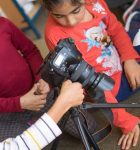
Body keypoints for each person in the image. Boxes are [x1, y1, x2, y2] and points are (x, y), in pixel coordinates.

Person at [43, 0, 140, 149]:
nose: (70, 21)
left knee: (133, 34)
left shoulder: (97, 4)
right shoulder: (54, 35)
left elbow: (116, 31)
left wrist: (129, 59)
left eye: (76, 11)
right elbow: (88, 82)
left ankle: (133, 15)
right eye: (59, 16)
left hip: (118, 60)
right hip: (109, 89)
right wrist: (125, 121)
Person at [0, 80, 84, 149]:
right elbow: (17, 147)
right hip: (6, 116)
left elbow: (30, 59)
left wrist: (43, 78)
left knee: (89, 128)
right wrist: (63, 104)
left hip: (37, 93)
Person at [0, 17, 48, 112]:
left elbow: (30, 51)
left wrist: (40, 78)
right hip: (8, 111)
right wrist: (19, 103)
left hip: (38, 91)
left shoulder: (3, 24)